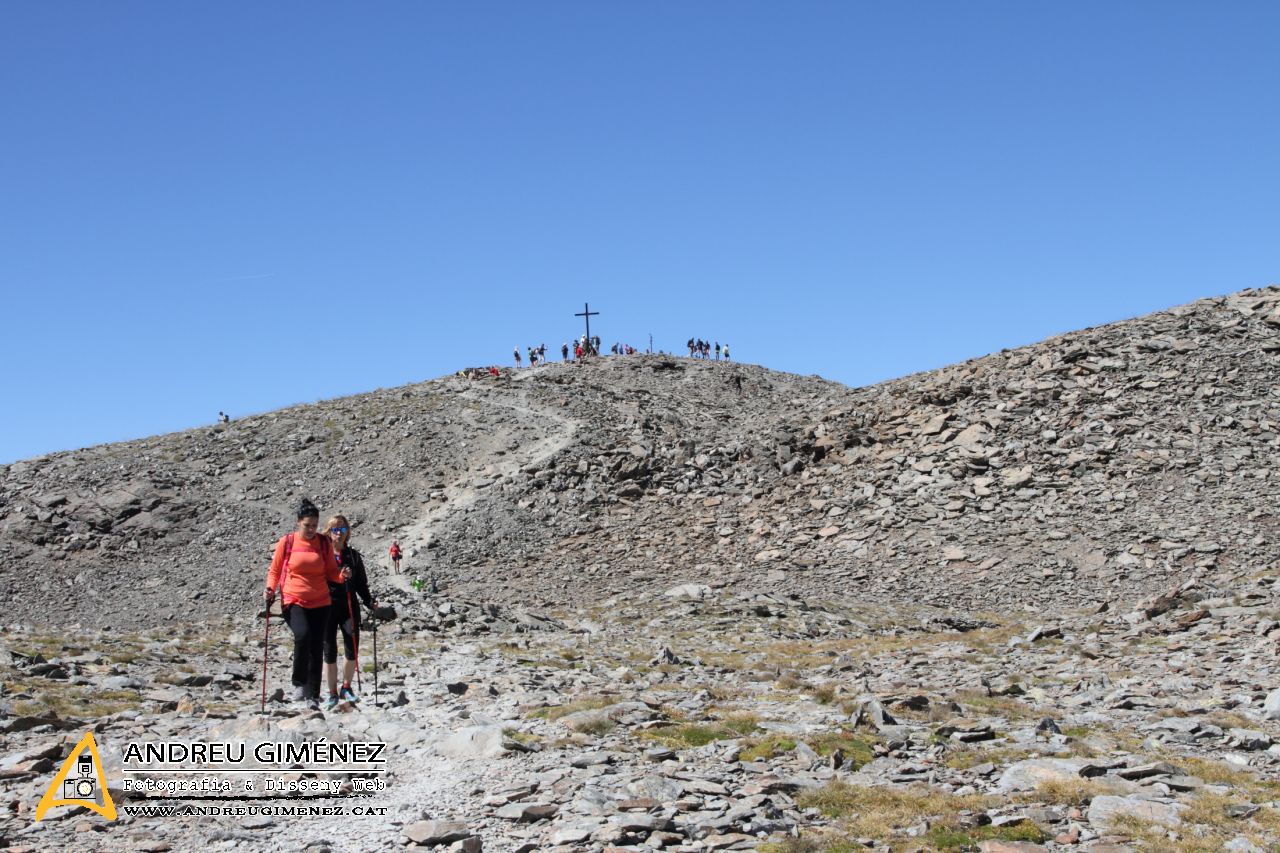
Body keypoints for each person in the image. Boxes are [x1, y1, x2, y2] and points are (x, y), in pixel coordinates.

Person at [265, 499, 348, 710]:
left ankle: (313, 696)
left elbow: (330, 572)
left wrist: (341, 576)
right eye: (307, 525)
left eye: (314, 525)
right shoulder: (287, 542)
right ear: (298, 522)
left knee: (316, 646)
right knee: (302, 636)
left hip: (321, 601)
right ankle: (299, 683)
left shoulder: (323, 543)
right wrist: (270, 589)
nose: (311, 529)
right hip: (294, 599)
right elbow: (274, 571)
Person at [322, 516, 377, 710]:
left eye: (342, 529)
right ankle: (331, 693)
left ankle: (346, 687)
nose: (339, 533)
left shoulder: (353, 556)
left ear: (347, 532)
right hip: (326, 605)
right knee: (328, 650)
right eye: (335, 529)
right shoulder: (321, 554)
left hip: (348, 604)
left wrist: (369, 602)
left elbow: (361, 583)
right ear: (328, 531)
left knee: (351, 646)